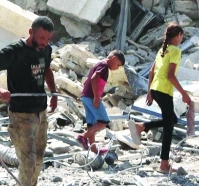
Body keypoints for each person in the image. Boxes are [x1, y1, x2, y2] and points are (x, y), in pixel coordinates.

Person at [0, 16, 57, 186]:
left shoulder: (46, 50)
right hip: (21, 115)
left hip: (40, 112)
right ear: (31, 32)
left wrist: (54, 92)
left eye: (48, 39)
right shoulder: (15, 51)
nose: (44, 43)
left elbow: (47, 70)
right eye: (41, 38)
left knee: (39, 157)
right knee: (28, 159)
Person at [129, 22, 191, 174]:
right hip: (164, 90)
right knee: (169, 127)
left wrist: (150, 92)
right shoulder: (175, 51)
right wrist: (183, 93)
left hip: (156, 89)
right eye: (181, 36)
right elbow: (170, 75)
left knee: (172, 120)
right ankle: (164, 165)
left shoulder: (162, 50)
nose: (181, 39)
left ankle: (142, 126)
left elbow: (151, 72)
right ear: (178, 36)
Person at [78, 50, 126, 152]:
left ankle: (94, 149)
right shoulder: (104, 66)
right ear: (113, 59)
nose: (117, 68)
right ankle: (83, 136)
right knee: (104, 121)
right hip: (91, 97)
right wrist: (96, 96)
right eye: (118, 65)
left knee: (92, 124)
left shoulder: (99, 64)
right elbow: (94, 78)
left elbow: (88, 79)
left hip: (86, 96)